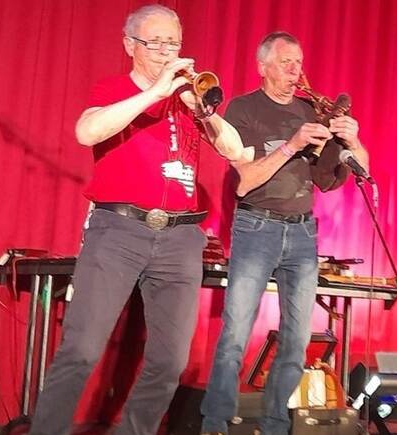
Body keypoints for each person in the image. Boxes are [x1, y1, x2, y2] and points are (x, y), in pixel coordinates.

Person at [29, 5, 245, 435]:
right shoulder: (113, 89)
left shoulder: (189, 101)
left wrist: (202, 110)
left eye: (173, 43)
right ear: (130, 45)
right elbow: (86, 132)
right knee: (82, 349)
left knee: (170, 361)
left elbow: (235, 151)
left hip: (180, 237)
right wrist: (156, 92)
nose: (166, 51)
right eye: (156, 42)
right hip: (119, 231)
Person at [199, 31, 368, 435]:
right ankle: (215, 423)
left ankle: (275, 425)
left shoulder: (310, 110)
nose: (295, 70)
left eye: (298, 63)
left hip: (302, 232)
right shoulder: (243, 109)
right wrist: (293, 144)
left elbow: (335, 177)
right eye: (286, 62)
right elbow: (245, 181)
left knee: (296, 339)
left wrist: (352, 138)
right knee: (236, 332)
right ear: (263, 67)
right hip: (256, 226)